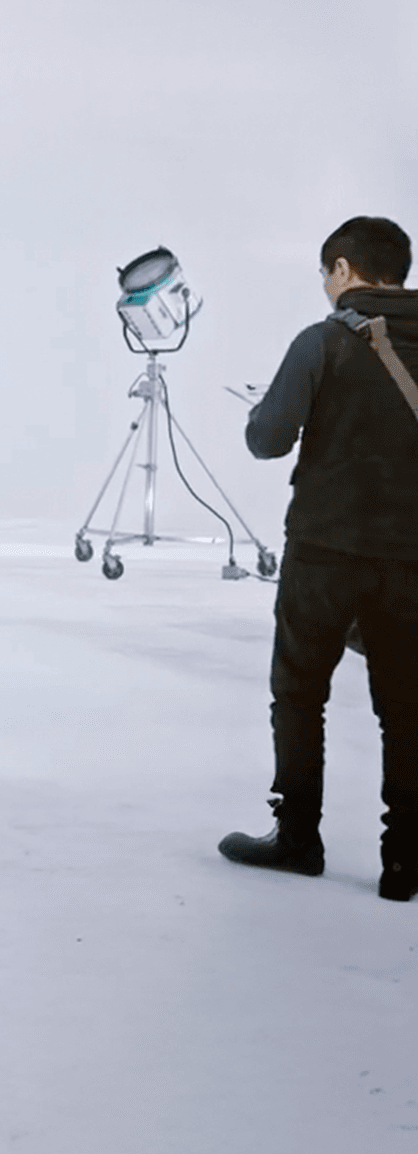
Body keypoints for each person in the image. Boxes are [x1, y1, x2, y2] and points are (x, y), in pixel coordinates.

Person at [221, 215, 418, 901]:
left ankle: (299, 838)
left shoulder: (324, 340)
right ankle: (405, 861)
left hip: (326, 551)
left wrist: (264, 412)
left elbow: (268, 439)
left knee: (301, 693)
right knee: (407, 706)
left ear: (342, 270)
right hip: (412, 561)